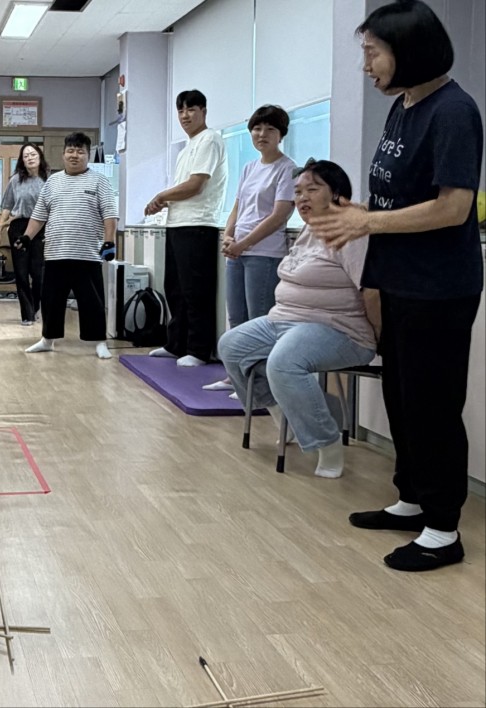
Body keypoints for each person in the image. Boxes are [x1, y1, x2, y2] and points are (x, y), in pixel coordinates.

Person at [309, 0, 483, 572]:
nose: (366, 65)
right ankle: (412, 499)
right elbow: (401, 197)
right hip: (398, 278)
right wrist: (361, 213)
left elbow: (454, 208)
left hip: (439, 287)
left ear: (409, 52)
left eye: (373, 53)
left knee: (433, 405)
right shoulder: (403, 106)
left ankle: (443, 528)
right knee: (401, 398)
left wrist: (369, 223)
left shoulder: (454, 112)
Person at [218, 160, 380, 479]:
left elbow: (371, 292)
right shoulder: (308, 230)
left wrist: (379, 334)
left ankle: (327, 443)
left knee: (283, 362)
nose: (302, 197)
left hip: (337, 328)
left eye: (312, 189)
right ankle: (285, 416)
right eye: (298, 192)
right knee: (231, 346)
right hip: (283, 320)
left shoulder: (351, 235)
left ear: (337, 195)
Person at [205, 105, 296, 393]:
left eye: (270, 129)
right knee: (236, 318)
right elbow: (238, 206)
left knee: (259, 321)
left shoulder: (288, 169)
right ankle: (236, 377)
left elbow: (279, 215)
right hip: (238, 251)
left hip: (264, 254)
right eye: (257, 128)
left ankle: (260, 386)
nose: (262, 134)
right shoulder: (249, 167)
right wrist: (228, 236)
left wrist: (244, 243)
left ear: (281, 134)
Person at [145, 89, 228, 367]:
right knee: (175, 288)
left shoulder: (210, 139)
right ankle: (176, 344)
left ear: (204, 111)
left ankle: (199, 350)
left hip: (199, 225)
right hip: (178, 223)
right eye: (181, 110)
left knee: (195, 291)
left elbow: (196, 185)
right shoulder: (186, 147)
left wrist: (161, 196)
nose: (185, 115)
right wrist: (165, 202)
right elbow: (184, 189)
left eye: (191, 109)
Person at [18, 132, 118, 359]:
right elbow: (39, 215)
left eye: (80, 151)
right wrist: (26, 237)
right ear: (63, 154)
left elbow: (109, 214)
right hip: (56, 253)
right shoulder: (52, 182)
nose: (74, 155)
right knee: (51, 300)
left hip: (87, 254)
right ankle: (47, 339)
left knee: (92, 301)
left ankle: (99, 342)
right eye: (70, 151)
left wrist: (109, 241)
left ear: (88, 155)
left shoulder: (99, 181)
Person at [0, 142, 49, 326]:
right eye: (26, 156)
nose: (30, 158)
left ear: (40, 156)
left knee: (38, 273)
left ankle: (36, 306)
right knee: (21, 272)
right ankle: (27, 314)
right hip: (18, 227)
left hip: (41, 227)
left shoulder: (48, 180)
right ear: (22, 161)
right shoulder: (16, 180)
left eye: (33, 154)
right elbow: (6, 207)